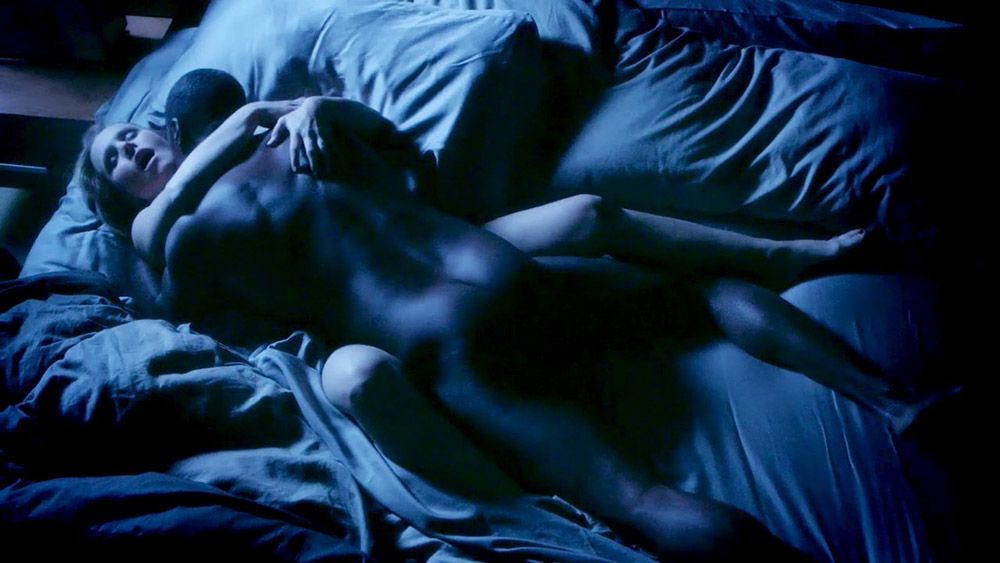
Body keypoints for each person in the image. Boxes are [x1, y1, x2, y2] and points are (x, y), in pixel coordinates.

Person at [74, 92, 931, 560]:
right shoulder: (187, 224)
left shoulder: (256, 164)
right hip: (484, 280)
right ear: (122, 203)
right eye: (117, 160)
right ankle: (894, 400)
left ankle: (901, 403)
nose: (132, 149)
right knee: (699, 310)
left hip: (452, 322)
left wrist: (312, 109)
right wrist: (290, 110)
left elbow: (394, 152)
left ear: (165, 129)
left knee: (641, 499)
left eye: (131, 133)